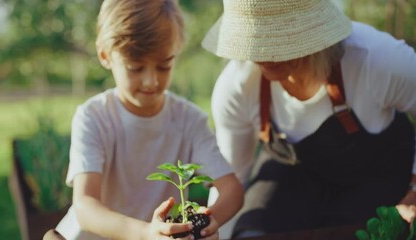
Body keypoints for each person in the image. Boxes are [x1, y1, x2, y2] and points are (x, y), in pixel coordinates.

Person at [201, 0, 416, 238]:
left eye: (280, 39)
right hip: (291, 181)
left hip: (377, 177)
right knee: (252, 231)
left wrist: (413, 194)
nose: (262, 53)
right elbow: (232, 179)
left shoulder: (378, 61)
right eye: (255, 40)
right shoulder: (237, 86)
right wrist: (211, 229)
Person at [44, 0, 244, 239]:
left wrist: (208, 222)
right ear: (105, 55)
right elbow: (85, 207)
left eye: (163, 66)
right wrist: (145, 233)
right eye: (135, 68)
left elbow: (232, 190)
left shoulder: (188, 120)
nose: (151, 81)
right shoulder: (94, 117)